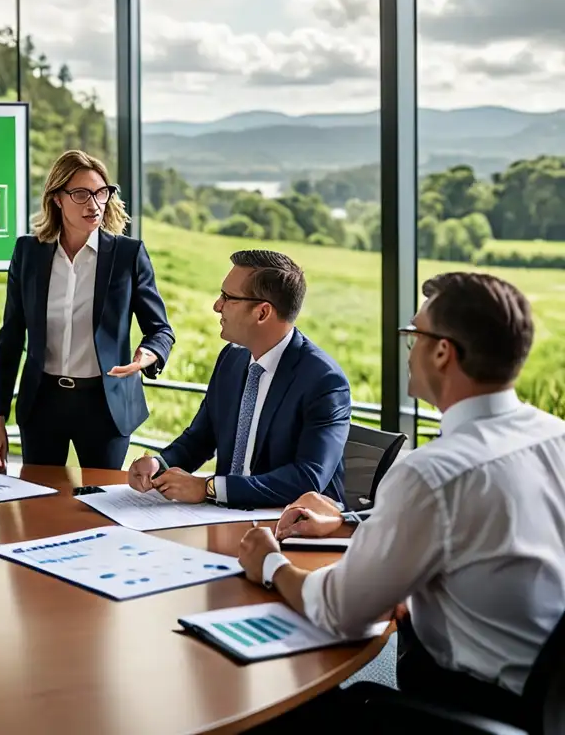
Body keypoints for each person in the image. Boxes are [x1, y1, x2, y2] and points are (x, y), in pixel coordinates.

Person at [238, 272, 565, 728]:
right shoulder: (555, 437)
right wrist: (350, 521)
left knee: (285, 709)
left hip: (471, 704)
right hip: (546, 698)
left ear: (442, 352)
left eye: (414, 335)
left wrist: (269, 564)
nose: (407, 349)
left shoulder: (431, 474)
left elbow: (340, 613)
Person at [0, 149, 175, 470]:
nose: (94, 204)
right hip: (42, 402)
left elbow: (160, 330)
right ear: (57, 198)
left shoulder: (128, 255)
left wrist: (148, 355)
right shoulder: (28, 253)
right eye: (81, 194)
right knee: (39, 506)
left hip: (105, 403)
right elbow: (11, 338)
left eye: (102, 193)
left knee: (101, 505)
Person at [127, 250, 350, 507]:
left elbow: (307, 479)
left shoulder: (324, 381)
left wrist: (208, 488)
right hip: (224, 517)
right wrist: (158, 464)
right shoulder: (231, 359)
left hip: (289, 526)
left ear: (262, 313)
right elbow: (199, 439)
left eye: (228, 297)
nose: (216, 306)